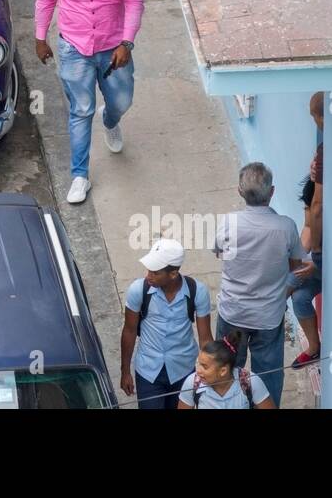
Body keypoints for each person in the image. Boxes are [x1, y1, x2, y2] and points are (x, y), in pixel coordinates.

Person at [34, 0, 144, 205]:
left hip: (114, 48)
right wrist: (40, 37)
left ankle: (110, 121)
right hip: (74, 47)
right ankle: (80, 176)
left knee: (122, 101)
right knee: (80, 111)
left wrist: (126, 41)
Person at [211, 162, 312, 406]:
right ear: (272, 192)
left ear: (239, 191)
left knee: (224, 375)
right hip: (268, 317)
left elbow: (218, 251)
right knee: (268, 379)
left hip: (233, 313)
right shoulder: (286, 227)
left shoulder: (228, 223)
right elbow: (296, 266)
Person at [120, 239, 213, 409]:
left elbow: (205, 338)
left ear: (173, 274)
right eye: (149, 270)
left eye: (155, 272)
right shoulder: (138, 290)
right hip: (148, 372)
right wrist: (125, 371)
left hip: (183, 371)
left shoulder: (197, 291)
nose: (149, 276)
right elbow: (129, 331)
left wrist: (211, 372)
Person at [291, 92, 326, 368]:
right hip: (316, 255)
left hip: (324, 257)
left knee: (287, 286)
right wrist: (299, 255)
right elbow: (307, 223)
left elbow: (316, 210)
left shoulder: (327, 156)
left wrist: (314, 259)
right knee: (301, 299)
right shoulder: (314, 177)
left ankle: (259, 323)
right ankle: (315, 348)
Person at [177, 333, 276, 409]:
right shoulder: (193, 383)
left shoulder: (250, 382)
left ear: (223, 371)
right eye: (198, 364)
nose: (198, 371)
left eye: (205, 367)